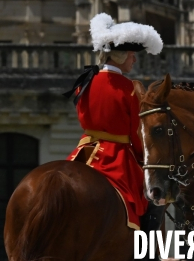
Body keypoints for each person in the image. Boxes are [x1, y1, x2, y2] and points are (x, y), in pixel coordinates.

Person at [65, 13, 164, 238]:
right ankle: (146, 248)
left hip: (84, 151)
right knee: (154, 196)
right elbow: (136, 133)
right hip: (116, 156)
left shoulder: (85, 82)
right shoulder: (129, 88)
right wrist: (143, 157)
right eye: (131, 55)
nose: (134, 60)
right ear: (120, 57)